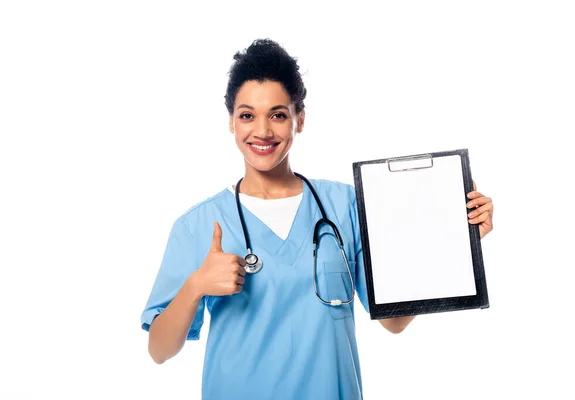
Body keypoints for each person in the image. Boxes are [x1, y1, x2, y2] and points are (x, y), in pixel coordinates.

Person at [140, 38, 494, 399]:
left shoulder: (345, 206)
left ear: (300, 119)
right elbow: (159, 350)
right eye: (247, 115)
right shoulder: (200, 224)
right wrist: (196, 284)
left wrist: (455, 242)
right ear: (232, 122)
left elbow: (393, 321)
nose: (262, 131)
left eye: (278, 114)